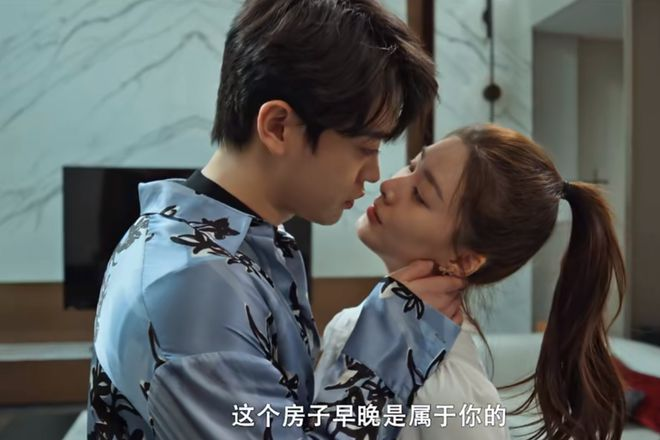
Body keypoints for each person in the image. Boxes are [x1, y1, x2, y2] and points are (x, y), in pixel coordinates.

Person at [86, 1, 467, 439]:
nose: (375, 174)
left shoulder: (236, 243)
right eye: (365, 148)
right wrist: (396, 333)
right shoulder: (192, 286)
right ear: (278, 127)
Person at [320, 124, 627, 440]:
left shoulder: (454, 393)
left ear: (465, 261)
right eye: (412, 166)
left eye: (420, 195)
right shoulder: (353, 323)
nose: (389, 185)